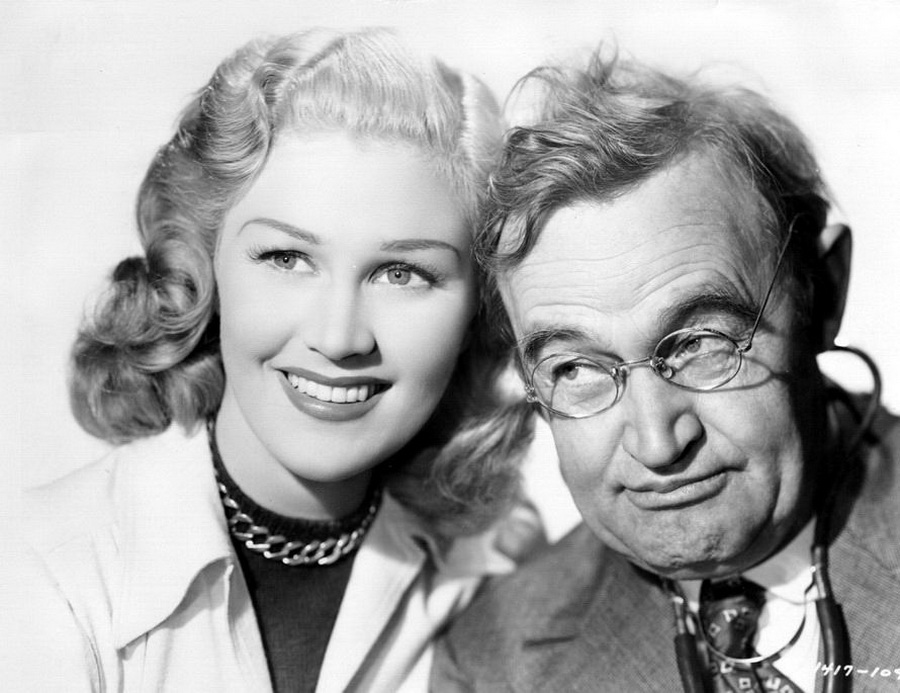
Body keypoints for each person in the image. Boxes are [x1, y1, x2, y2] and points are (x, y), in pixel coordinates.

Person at [10, 29, 538, 692]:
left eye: (402, 273)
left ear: (477, 311)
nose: (339, 337)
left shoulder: (501, 565)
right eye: (287, 258)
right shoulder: (40, 570)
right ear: (203, 269)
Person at [432, 47, 900, 692]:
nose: (657, 443)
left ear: (821, 292)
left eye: (700, 342)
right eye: (575, 368)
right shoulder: (495, 666)